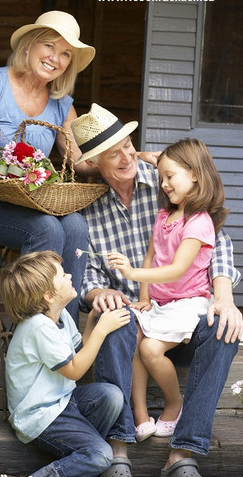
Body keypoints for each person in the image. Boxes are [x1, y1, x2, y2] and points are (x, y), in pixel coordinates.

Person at [71, 103, 243, 477]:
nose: (126, 156)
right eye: (112, 153)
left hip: (185, 307)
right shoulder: (86, 210)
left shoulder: (167, 183)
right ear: (94, 163)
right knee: (111, 316)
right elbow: (86, 273)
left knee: (225, 331)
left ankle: (183, 452)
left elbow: (218, 240)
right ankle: (120, 445)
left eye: (128, 145)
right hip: (139, 315)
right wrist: (94, 294)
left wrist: (224, 296)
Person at [0, 10, 97, 325]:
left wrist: (126, 156)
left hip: (27, 203)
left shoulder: (61, 102)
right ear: (29, 45)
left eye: (65, 53)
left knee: (75, 226)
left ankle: (62, 332)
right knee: (46, 228)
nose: (55, 58)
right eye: (48, 46)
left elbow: (81, 160)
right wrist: (5, 162)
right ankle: (31, 332)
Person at [107, 139, 230, 444]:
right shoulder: (164, 216)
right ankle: (139, 414)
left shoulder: (199, 222)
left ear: (195, 175)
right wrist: (145, 297)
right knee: (133, 336)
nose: (164, 184)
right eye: (161, 178)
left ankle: (174, 402)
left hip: (188, 304)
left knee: (150, 349)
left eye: (170, 176)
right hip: (161, 303)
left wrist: (133, 273)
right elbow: (152, 256)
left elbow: (177, 268)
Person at [0, 250, 132, 477]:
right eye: (62, 275)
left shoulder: (60, 316)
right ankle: (81, 458)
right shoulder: (38, 327)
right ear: (49, 296)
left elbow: (79, 353)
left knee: (112, 395)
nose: (70, 276)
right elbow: (75, 371)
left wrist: (91, 322)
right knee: (101, 455)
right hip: (39, 416)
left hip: (63, 402)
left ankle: (81, 453)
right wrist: (102, 329)